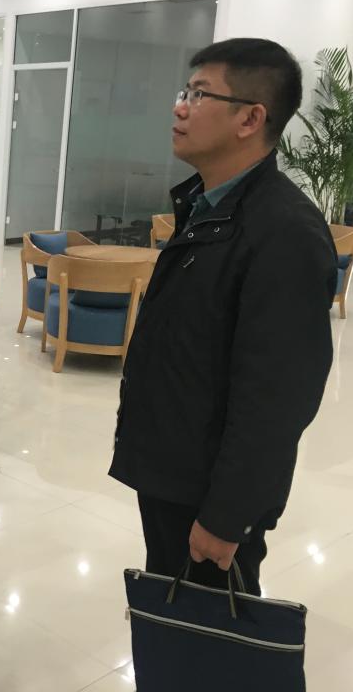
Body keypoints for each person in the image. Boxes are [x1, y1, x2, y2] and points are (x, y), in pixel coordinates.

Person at [110, 38, 338, 595]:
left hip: (207, 496)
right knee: (173, 622)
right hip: (175, 470)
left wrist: (228, 515)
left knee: (208, 633)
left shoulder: (284, 231)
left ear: (250, 119)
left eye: (198, 94)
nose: (179, 106)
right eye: (184, 91)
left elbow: (278, 397)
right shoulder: (209, 206)